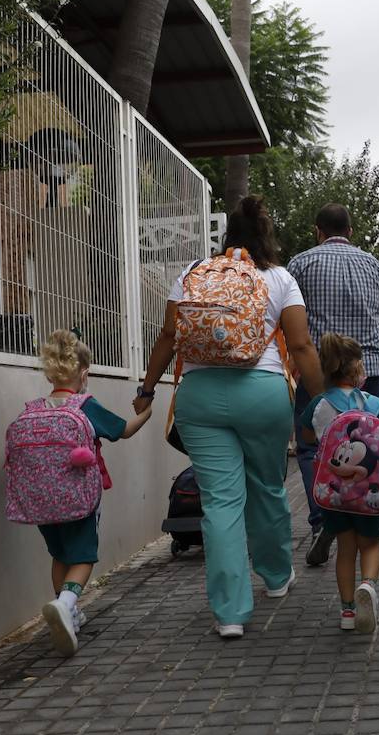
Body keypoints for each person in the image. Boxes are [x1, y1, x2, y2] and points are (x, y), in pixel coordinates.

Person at [136, 196, 324, 639]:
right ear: (265, 236)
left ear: (225, 239)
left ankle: (230, 614)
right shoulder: (279, 278)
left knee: (220, 501)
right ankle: (277, 576)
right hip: (261, 393)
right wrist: (321, 400)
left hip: (199, 398)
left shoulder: (193, 273)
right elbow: (300, 346)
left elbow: (167, 335)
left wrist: (146, 389)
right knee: (267, 484)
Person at [287, 204, 379, 567]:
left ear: (318, 230)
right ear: (350, 230)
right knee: (367, 440)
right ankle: (365, 509)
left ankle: (324, 515)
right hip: (367, 370)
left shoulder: (299, 265)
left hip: (318, 371)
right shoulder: (374, 265)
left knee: (311, 447)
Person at [34, 329, 151, 656]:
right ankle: (66, 603)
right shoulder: (85, 405)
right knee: (83, 556)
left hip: (42, 499)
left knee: (60, 555)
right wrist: (146, 413)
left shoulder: (39, 408)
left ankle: (68, 611)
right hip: (79, 499)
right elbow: (123, 430)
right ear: (83, 373)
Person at [300, 333, 379, 633]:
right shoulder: (372, 402)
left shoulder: (318, 404)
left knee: (345, 550)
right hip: (367, 495)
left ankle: (347, 611)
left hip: (333, 495)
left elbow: (306, 437)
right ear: (356, 369)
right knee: (369, 545)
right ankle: (367, 586)